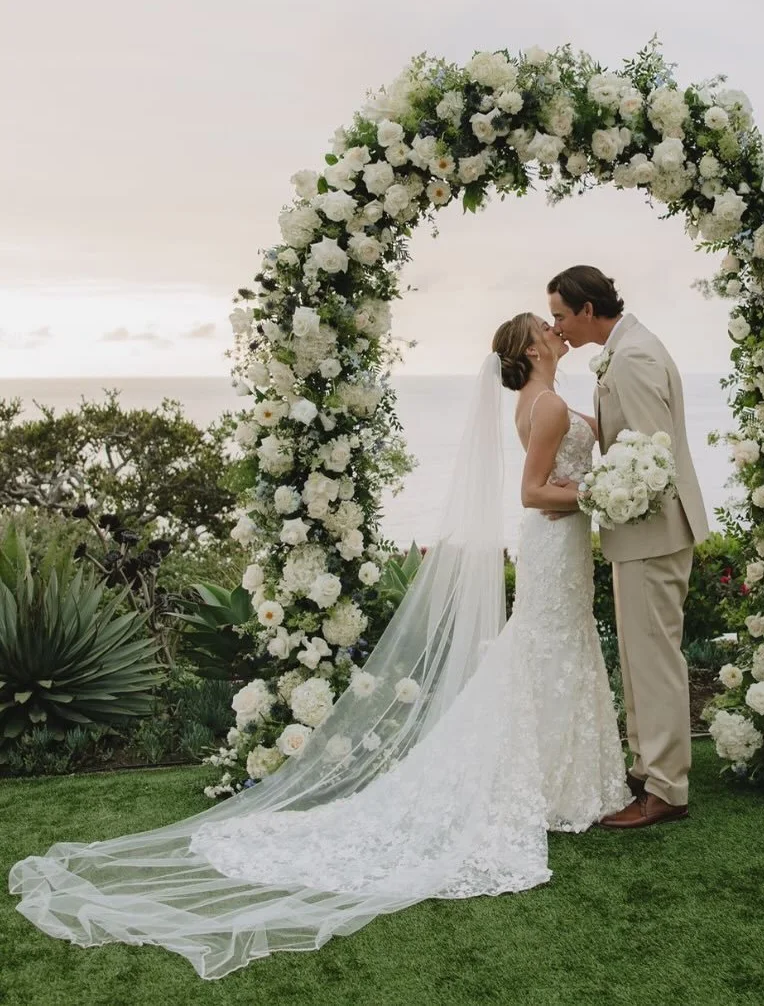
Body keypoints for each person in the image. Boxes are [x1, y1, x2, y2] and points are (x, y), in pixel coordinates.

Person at [9, 315, 627, 980]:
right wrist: (597, 491)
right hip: (554, 541)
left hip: (557, 550)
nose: (556, 329)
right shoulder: (548, 403)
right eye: (545, 326)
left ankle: (555, 781)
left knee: (546, 651)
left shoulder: (537, 400)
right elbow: (535, 492)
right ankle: (552, 785)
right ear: (531, 347)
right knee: (544, 647)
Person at [548, 266, 709, 829]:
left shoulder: (633, 357)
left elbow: (651, 459)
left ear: (588, 310)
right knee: (642, 657)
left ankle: (666, 788)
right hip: (641, 534)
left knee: (654, 660)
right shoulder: (626, 348)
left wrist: (586, 493)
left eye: (561, 316)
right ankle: (647, 768)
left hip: (652, 534)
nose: (557, 327)